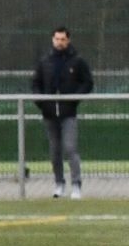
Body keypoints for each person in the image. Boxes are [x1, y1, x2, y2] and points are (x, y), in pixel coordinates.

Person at [32, 28, 93, 200]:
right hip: (50, 114)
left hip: (68, 113)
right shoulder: (45, 61)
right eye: (57, 39)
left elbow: (87, 82)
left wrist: (75, 98)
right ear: (52, 39)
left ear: (68, 40)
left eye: (63, 39)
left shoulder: (77, 61)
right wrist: (41, 102)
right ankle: (59, 183)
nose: (60, 42)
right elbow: (36, 84)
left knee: (70, 148)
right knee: (54, 151)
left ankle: (76, 184)